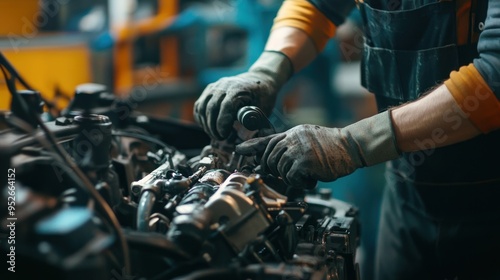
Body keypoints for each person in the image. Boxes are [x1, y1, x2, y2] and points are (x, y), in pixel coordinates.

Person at [193, 0, 500, 279]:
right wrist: (268, 69)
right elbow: (317, 5)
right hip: (408, 197)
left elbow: (494, 77)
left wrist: (352, 144)